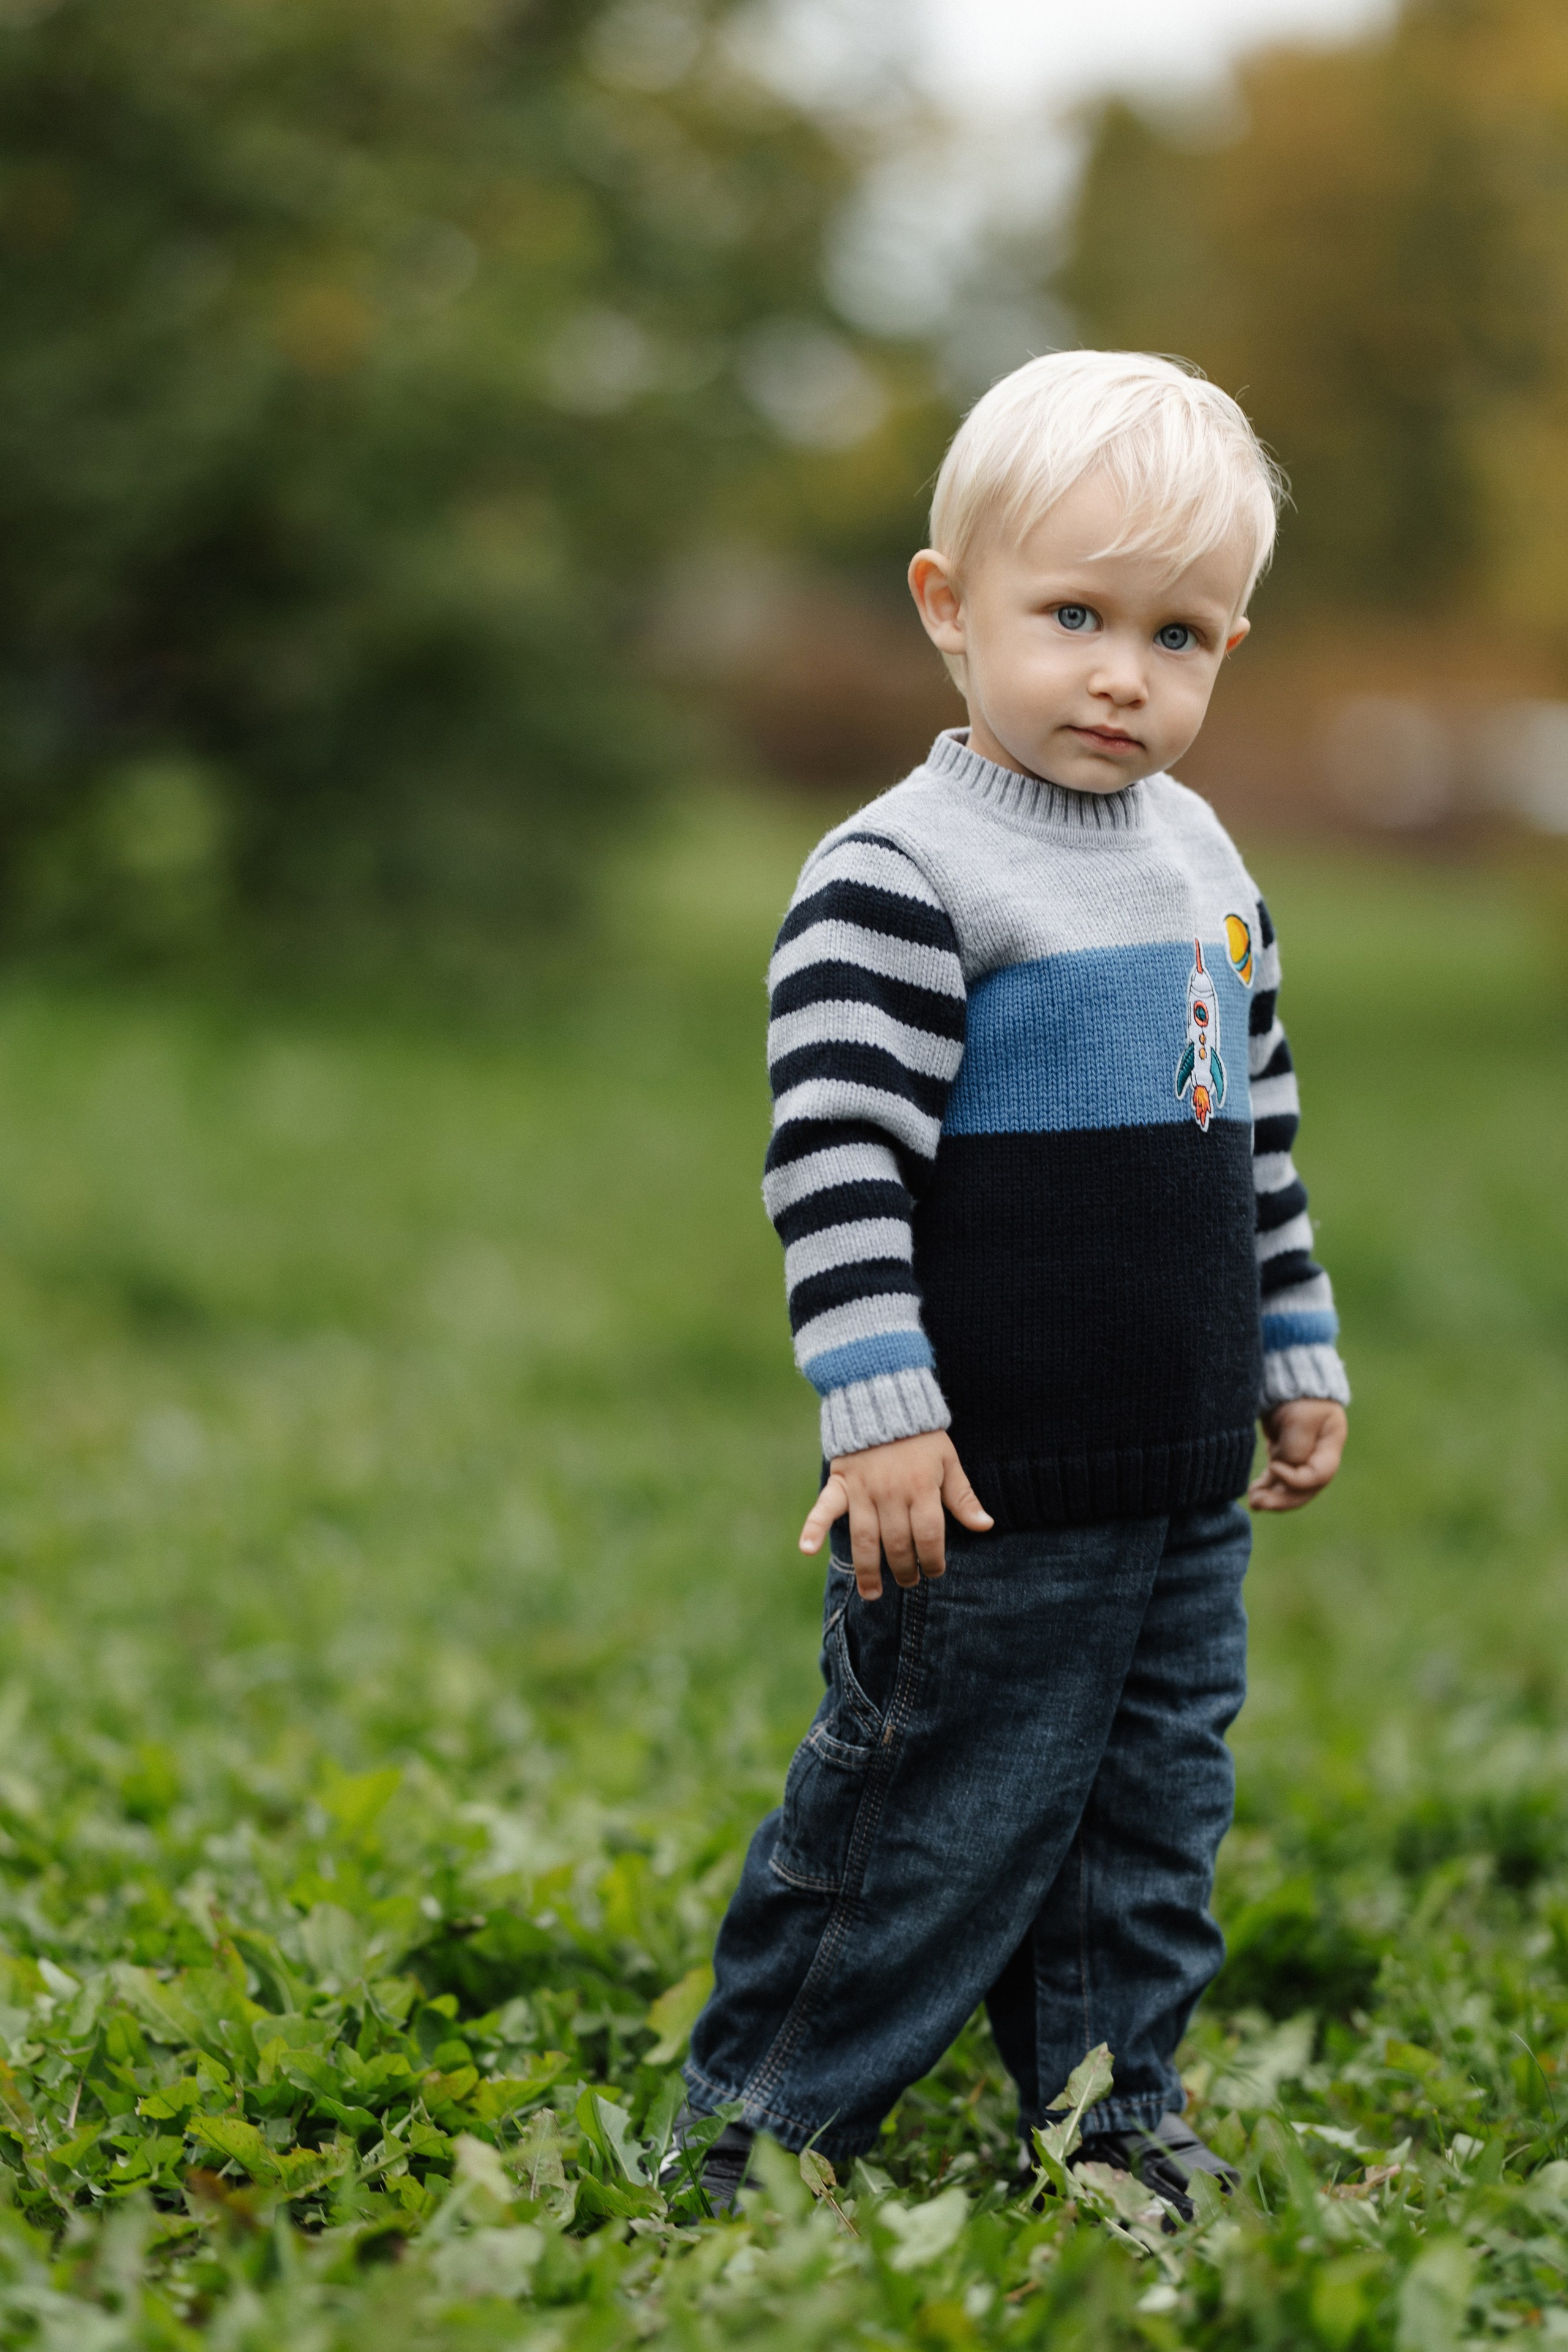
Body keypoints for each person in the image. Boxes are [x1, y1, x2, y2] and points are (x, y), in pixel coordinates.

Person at [677, 350, 1349, 2220]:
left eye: (1185, 633)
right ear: (949, 607)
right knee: (924, 1819)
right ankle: (760, 2129)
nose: (1128, 674)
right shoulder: (905, 873)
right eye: (1075, 616)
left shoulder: (1206, 862)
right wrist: (881, 1412)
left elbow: (1256, 1137)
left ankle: (1112, 2119)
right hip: (979, 1486)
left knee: (1147, 1826)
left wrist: (1294, 1340)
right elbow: (836, 1161)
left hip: (1182, 1475)